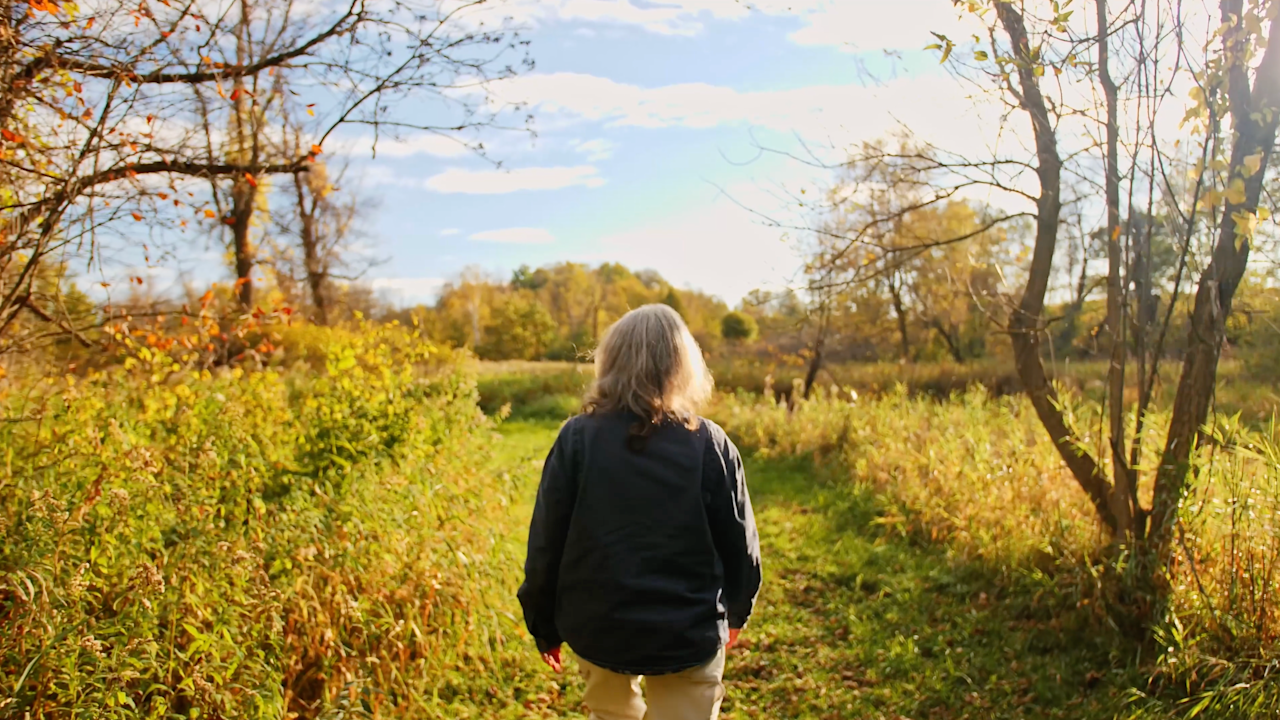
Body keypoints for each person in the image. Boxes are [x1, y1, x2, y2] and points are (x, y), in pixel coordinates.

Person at [518, 303, 762, 720]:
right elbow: (740, 541)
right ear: (683, 365)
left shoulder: (576, 439)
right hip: (688, 632)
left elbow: (546, 542)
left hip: (599, 629)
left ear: (610, 361)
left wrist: (543, 624)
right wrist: (738, 608)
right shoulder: (711, 444)